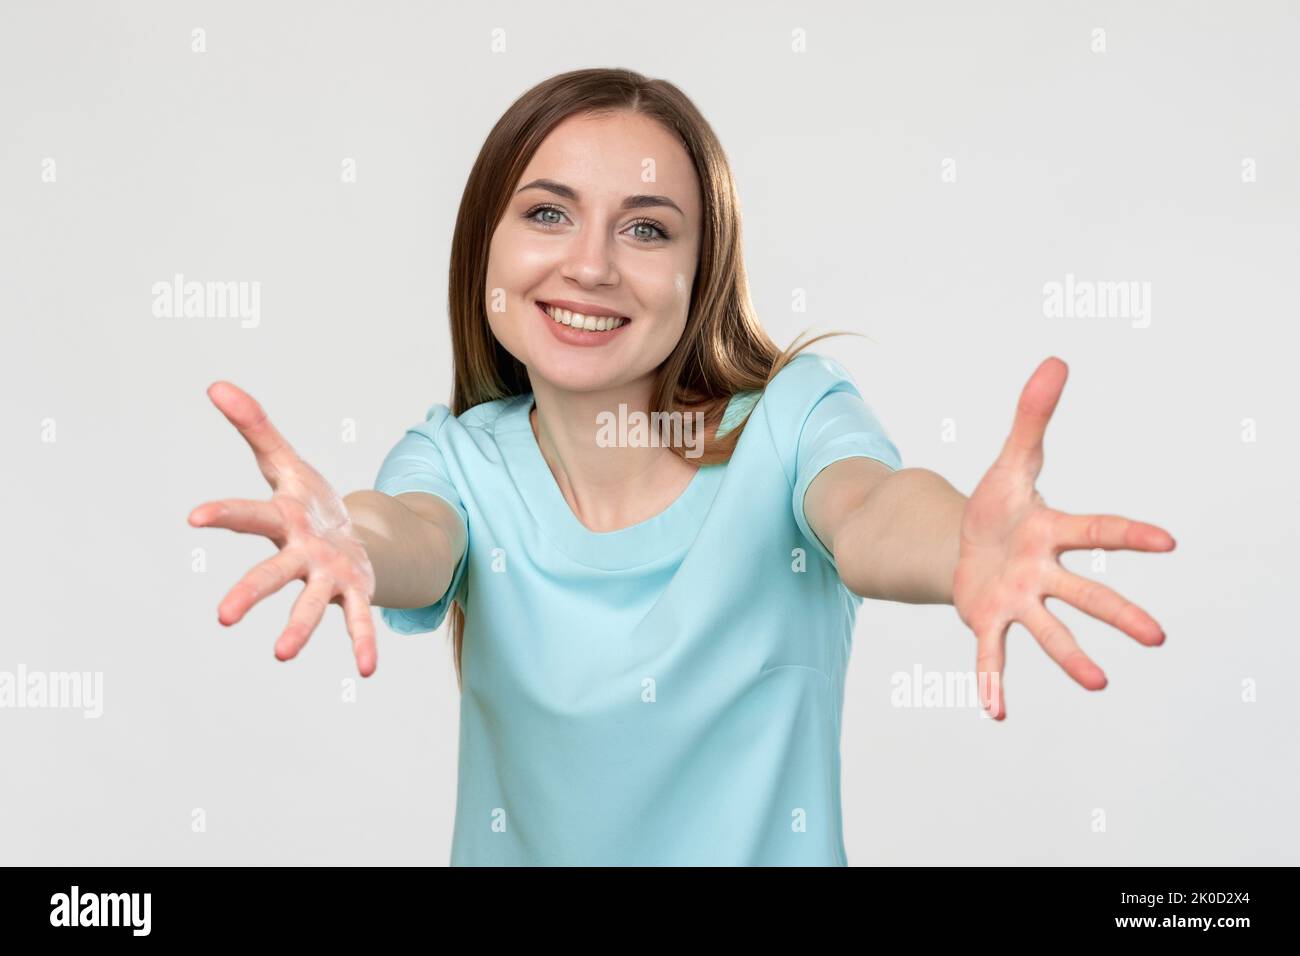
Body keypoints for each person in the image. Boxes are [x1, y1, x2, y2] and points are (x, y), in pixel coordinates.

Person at [188, 68, 1176, 866]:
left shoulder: (790, 422)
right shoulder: (460, 460)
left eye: (647, 228)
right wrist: (348, 540)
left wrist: (960, 539)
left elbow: (872, 508)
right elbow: (406, 528)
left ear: (699, 276)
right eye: (546, 213)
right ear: (482, 252)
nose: (591, 265)